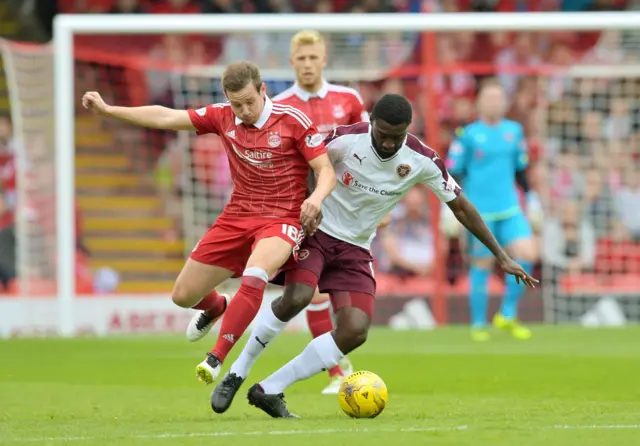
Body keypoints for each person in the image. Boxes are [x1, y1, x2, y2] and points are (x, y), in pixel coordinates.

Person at [208, 94, 537, 417]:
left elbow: (462, 208)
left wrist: (502, 256)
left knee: (355, 330)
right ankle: (236, 373)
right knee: (298, 296)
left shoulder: (421, 159)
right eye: (383, 135)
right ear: (371, 124)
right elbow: (306, 160)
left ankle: (269, 389)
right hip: (318, 232)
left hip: (356, 247)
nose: (390, 144)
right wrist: (308, 203)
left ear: (408, 129)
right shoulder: (344, 140)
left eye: (398, 136)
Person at [81, 61, 336, 384]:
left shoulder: (293, 121)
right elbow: (166, 116)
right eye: (236, 103)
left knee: (257, 272)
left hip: (282, 218)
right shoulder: (222, 115)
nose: (243, 110)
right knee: (183, 295)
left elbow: (325, 170)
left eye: (249, 102)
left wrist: (315, 199)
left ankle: (216, 357)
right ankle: (216, 306)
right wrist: (109, 110)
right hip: (237, 216)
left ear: (263, 90)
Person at [270, 29, 369, 394]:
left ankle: (338, 364)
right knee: (310, 291)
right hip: (304, 206)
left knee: (338, 283)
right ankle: (336, 372)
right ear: (292, 62)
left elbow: (369, 150)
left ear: (323, 60)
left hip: (347, 207)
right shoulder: (279, 105)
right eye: (302, 58)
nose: (308, 64)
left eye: (314, 57)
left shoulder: (349, 98)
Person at [444, 79, 539, 342]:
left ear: (505, 102)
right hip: (480, 212)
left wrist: (532, 198)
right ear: (479, 102)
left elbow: (520, 169)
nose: (495, 103)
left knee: (528, 252)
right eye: (489, 98)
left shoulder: (514, 131)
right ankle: (477, 323)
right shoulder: (468, 135)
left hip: (509, 208)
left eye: (499, 98)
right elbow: (453, 171)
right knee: (482, 264)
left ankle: (507, 314)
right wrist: (449, 205)